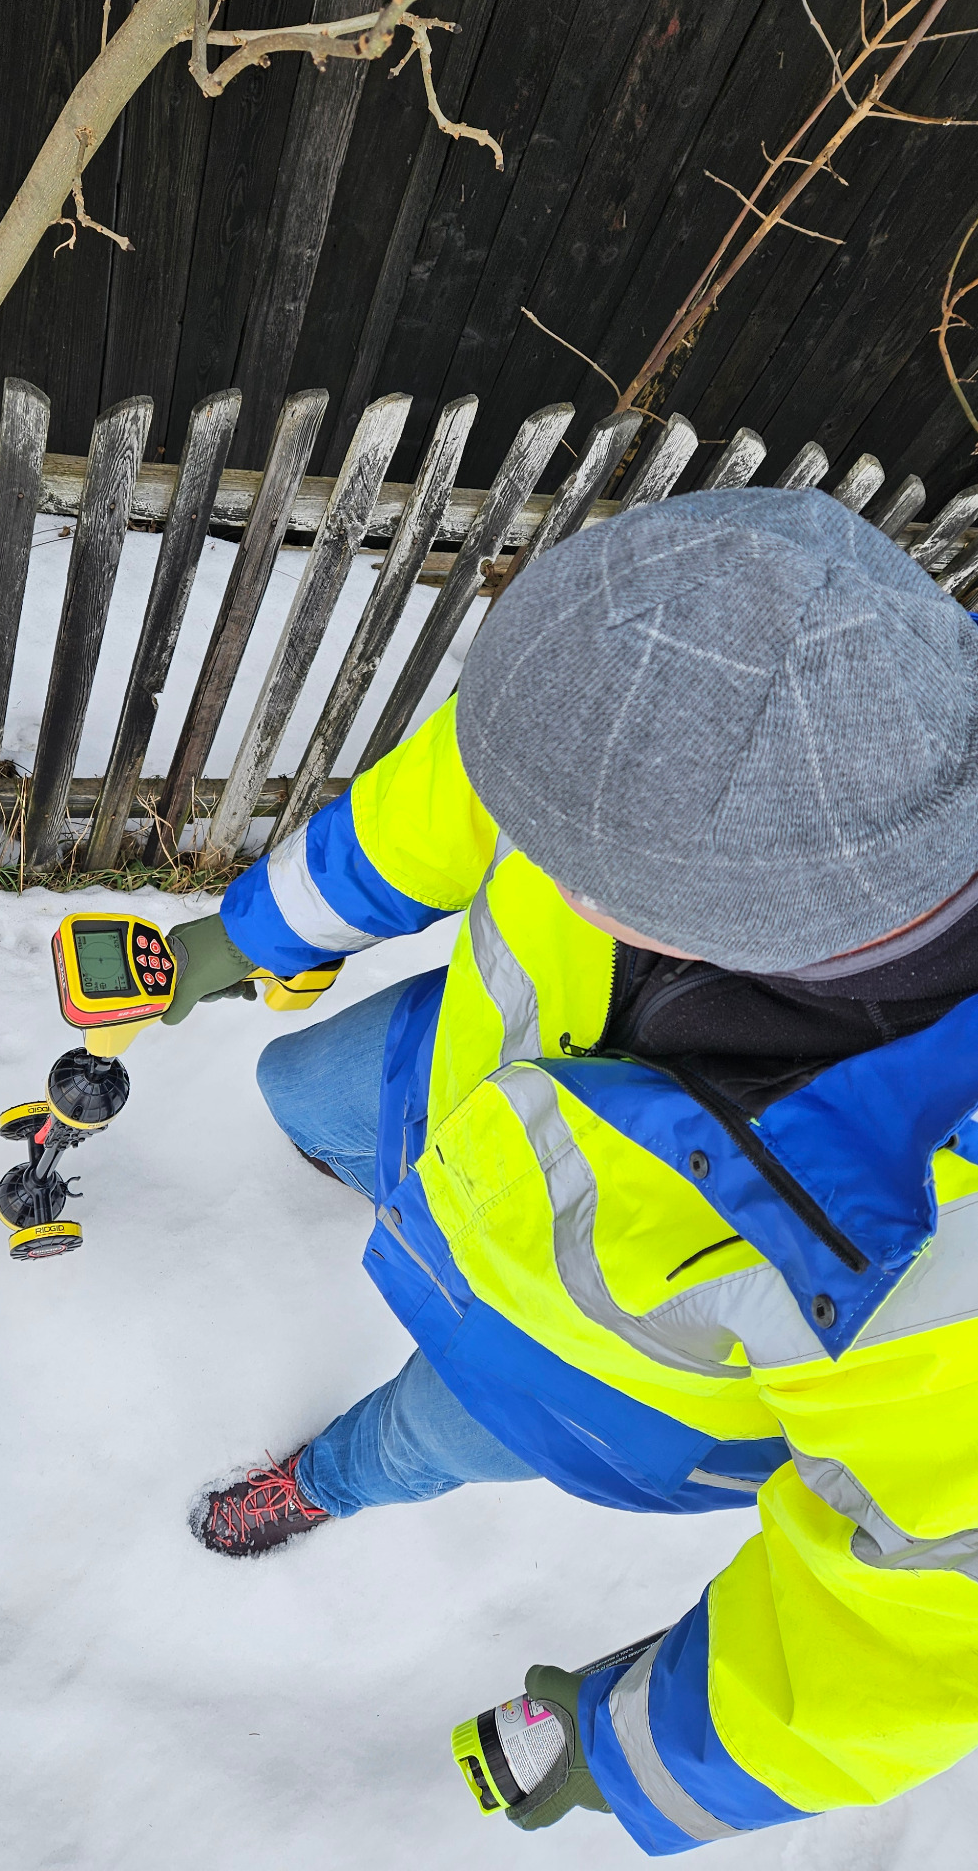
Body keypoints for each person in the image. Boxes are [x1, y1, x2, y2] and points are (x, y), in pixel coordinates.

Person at [162, 487, 978, 1852]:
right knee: (292, 1084)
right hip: (449, 1106)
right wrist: (247, 940)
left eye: (548, 851)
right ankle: (378, 1197)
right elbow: (431, 807)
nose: (514, 839)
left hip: (594, 1374)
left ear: (672, 911)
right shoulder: (677, 737)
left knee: (423, 1432)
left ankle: (322, 1484)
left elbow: (926, 1596)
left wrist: (642, 1754)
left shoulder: (939, 1234)